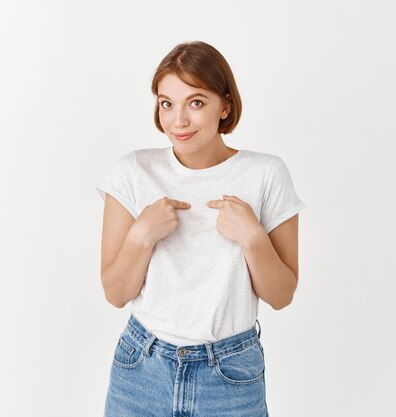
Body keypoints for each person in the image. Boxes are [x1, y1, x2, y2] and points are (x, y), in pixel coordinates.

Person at [96, 40, 305, 417]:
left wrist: (254, 239)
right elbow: (115, 292)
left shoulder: (266, 174)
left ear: (224, 105)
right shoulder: (132, 172)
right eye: (166, 103)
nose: (178, 120)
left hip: (229, 375)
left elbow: (282, 295)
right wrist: (142, 235)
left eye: (195, 102)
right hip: (141, 369)